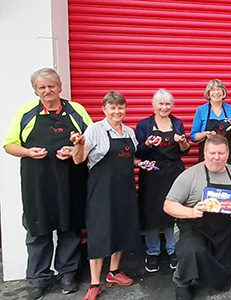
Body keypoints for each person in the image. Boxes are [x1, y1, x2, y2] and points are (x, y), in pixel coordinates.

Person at [3, 68, 92, 300]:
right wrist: (28, 152)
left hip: (71, 181)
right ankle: (38, 279)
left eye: (51, 86)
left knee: (70, 227)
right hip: (37, 183)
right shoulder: (27, 113)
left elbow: (90, 141)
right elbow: (10, 144)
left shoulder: (76, 110)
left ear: (60, 86)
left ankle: (67, 274)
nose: (47, 91)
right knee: (37, 229)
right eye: (41, 87)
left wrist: (75, 149)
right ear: (35, 90)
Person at [72, 91, 149, 300]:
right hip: (101, 191)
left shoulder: (129, 132)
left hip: (124, 189)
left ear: (125, 109)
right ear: (104, 109)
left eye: (120, 107)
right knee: (99, 232)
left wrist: (141, 163)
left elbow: (128, 158)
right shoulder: (95, 130)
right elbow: (79, 160)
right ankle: (95, 282)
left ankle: (114, 272)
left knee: (122, 228)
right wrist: (77, 145)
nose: (117, 111)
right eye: (112, 108)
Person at [163, 135, 231, 300]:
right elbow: (168, 205)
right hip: (192, 227)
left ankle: (209, 275)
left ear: (228, 154)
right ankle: (181, 282)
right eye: (212, 153)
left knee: (222, 279)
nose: (216, 157)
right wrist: (192, 212)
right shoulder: (189, 175)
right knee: (192, 250)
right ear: (204, 153)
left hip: (221, 230)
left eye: (221, 153)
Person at [135, 89, 190, 273]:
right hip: (151, 174)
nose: (164, 107)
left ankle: (173, 250)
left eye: (168, 104)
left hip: (174, 172)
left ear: (171, 106)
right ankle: (152, 252)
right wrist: (148, 144)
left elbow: (184, 151)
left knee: (173, 211)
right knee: (152, 212)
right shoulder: (144, 125)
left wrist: (182, 141)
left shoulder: (177, 123)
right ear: (154, 105)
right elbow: (138, 152)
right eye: (161, 103)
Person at [191, 79, 231, 163]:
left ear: (223, 92)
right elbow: (193, 136)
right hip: (209, 156)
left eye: (219, 89)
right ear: (208, 93)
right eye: (213, 90)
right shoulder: (201, 110)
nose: (216, 92)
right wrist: (205, 134)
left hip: (228, 156)